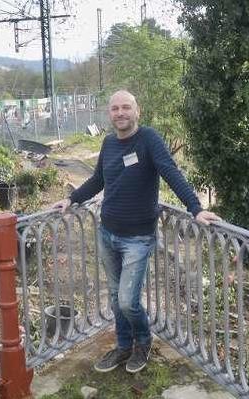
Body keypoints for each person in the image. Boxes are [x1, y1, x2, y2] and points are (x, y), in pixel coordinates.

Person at [52, 90, 220, 373]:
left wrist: (195, 208)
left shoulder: (149, 139)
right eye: (115, 108)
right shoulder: (108, 143)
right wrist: (72, 199)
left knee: (129, 300)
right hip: (107, 233)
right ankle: (123, 346)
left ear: (137, 110)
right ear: (109, 114)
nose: (120, 113)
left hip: (138, 238)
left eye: (126, 107)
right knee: (117, 298)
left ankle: (143, 342)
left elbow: (171, 172)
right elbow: (97, 181)